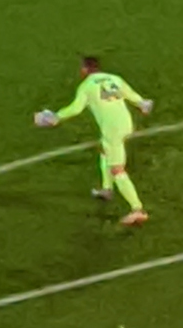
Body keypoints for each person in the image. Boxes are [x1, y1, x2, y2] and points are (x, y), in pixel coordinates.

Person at [35, 57, 153, 226]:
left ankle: (137, 209)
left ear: (85, 69)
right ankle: (107, 189)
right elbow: (130, 94)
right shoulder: (114, 78)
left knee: (117, 169)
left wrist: (56, 116)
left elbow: (76, 108)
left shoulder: (87, 86)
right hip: (126, 123)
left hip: (112, 129)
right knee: (105, 150)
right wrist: (142, 103)